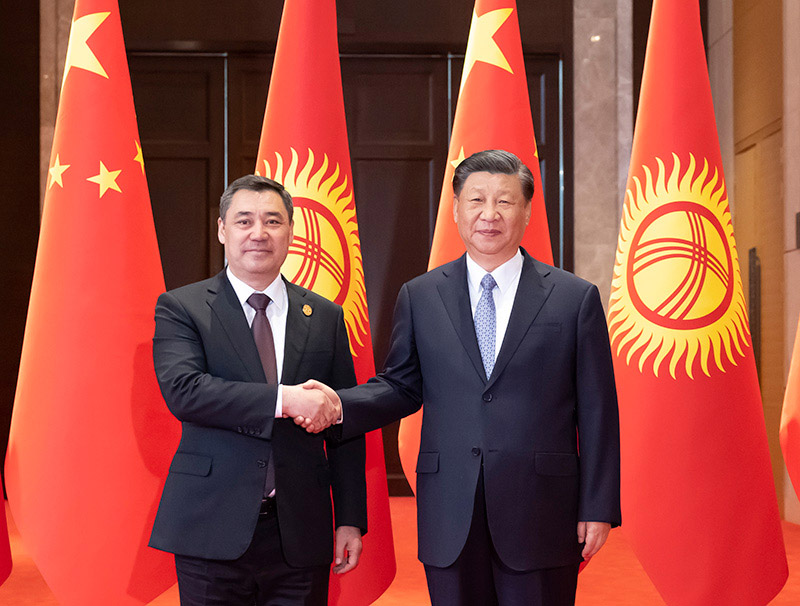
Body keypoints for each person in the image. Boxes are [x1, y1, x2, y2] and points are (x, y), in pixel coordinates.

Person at [299, 149, 620, 606]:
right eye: (476, 200)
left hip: (541, 508)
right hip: (450, 509)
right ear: (455, 210)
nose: (489, 214)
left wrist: (598, 505)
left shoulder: (573, 298)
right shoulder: (421, 295)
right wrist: (338, 404)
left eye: (504, 201)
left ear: (527, 211)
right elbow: (401, 385)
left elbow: (598, 410)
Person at [149, 174, 367, 606]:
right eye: (244, 221)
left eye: (272, 221)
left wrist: (350, 518)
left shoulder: (324, 315)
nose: (259, 233)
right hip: (211, 525)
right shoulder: (182, 307)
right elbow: (186, 392)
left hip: (300, 530)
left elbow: (342, 422)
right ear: (222, 230)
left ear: (291, 231)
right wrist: (286, 400)